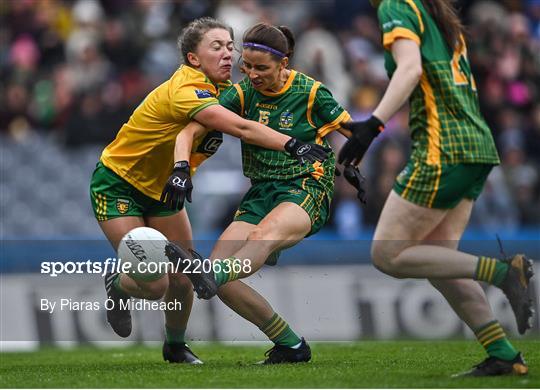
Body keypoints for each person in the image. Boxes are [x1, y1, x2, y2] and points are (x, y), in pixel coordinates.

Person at [89, 17, 330, 364]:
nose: (228, 54)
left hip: (164, 190)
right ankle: (118, 284)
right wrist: (293, 144)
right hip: (118, 184)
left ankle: (175, 346)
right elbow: (243, 128)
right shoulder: (188, 89)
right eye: (216, 47)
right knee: (156, 284)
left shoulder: (225, 91)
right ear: (193, 59)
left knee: (186, 274)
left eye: (230, 47)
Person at [337, 0, 534, 377]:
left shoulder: (396, 5)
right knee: (440, 261)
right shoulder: (437, 11)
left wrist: (373, 124)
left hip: (443, 148)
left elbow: (410, 68)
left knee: (386, 254)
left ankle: (504, 272)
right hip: (475, 144)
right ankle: (503, 354)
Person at [165, 22, 360, 364]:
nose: (252, 75)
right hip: (260, 193)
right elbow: (189, 131)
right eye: (247, 67)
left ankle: (209, 275)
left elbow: (354, 132)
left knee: (261, 237)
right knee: (222, 278)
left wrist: (353, 162)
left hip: (306, 186)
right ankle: (290, 345)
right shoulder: (241, 95)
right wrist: (181, 168)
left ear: (284, 63)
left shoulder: (311, 92)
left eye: (261, 68)